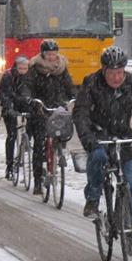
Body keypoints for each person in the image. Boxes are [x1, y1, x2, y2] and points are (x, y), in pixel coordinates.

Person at [74, 46, 132, 254]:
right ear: (104, 71)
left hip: (123, 138)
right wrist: (88, 138)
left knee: (130, 188)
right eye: (112, 73)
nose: (117, 77)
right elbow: (81, 114)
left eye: (120, 72)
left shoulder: (131, 83)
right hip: (99, 137)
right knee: (98, 157)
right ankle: (93, 198)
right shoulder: (91, 84)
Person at [26, 39, 76, 195]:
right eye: (48, 54)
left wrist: (74, 97)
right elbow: (27, 86)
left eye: (54, 54)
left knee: (60, 134)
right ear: (43, 54)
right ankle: (38, 182)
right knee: (40, 144)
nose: (52, 57)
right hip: (40, 109)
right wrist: (31, 99)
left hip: (57, 108)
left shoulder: (61, 68)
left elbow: (69, 86)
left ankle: (57, 153)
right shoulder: (35, 68)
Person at [0, 56, 30, 180]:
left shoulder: (30, 77)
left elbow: (30, 93)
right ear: (15, 67)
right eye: (20, 68)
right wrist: (8, 108)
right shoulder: (8, 76)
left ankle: (26, 148)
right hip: (10, 106)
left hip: (23, 105)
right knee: (12, 135)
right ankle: (9, 167)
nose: (23, 71)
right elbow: (3, 94)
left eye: (25, 68)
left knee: (33, 128)